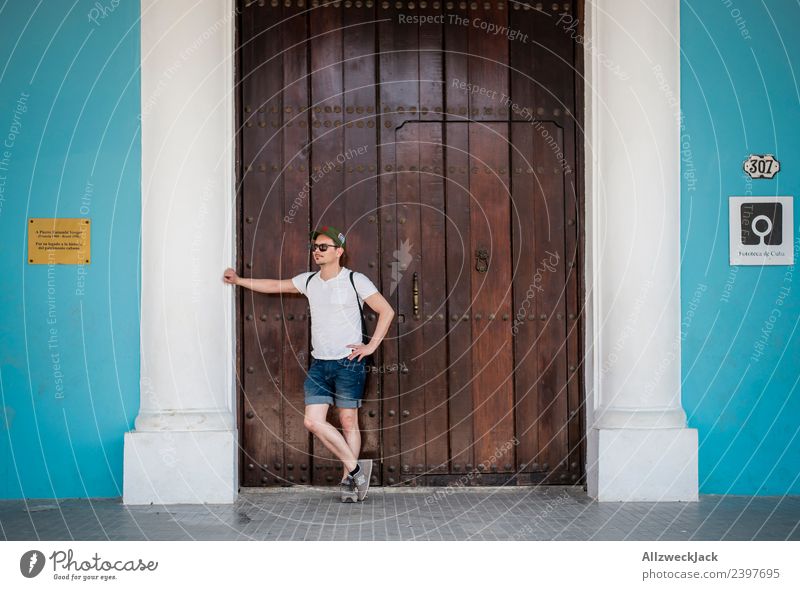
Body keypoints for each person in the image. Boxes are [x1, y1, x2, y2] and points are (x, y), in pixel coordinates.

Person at [222, 225, 395, 502]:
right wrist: (239, 280)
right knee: (312, 421)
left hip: (349, 362)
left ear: (339, 251)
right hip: (320, 364)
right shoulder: (309, 281)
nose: (317, 251)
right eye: (314, 247)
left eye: (323, 247)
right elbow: (274, 286)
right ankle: (355, 469)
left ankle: (348, 484)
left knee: (349, 421)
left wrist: (371, 346)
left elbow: (386, 311)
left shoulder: (355, 280)